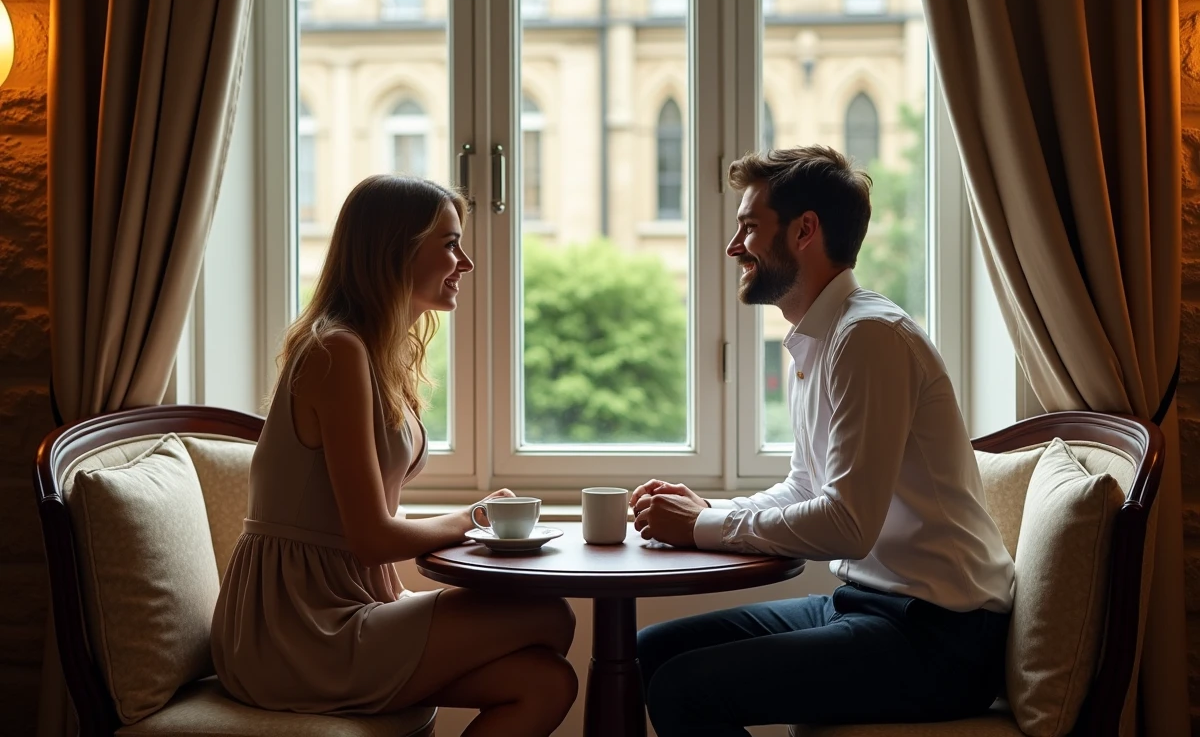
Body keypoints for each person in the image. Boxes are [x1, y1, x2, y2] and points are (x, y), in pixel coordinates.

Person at [630, 146, 1014, 736]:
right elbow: (807, 486)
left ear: (804, 230)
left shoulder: (869, 337)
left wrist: (702, 527)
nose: (734, 246)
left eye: (749, 226)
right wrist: (709, 510)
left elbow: (846, 526)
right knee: (651, 650)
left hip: (942, 635)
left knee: (685, 687)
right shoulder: (818, 338)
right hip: (868, 605)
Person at [211, 175, 577, 736]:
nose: (466, 263)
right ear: (395, 251)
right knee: (547, 614)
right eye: (450, 245)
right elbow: (372, 538)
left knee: (545, 683)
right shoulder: (336, 351)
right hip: (297, 631)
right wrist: (476, 516)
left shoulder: (376, 354)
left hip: (349, 602)